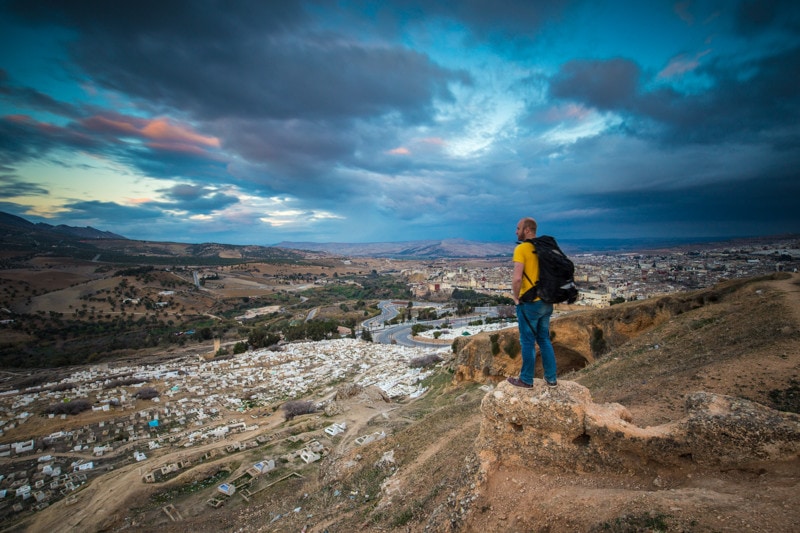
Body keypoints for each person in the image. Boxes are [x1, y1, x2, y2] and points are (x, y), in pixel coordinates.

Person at [507, 217, 558, 388]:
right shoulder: (545, 246)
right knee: (544, 339)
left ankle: (526, 380)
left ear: (527, 230)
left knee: (527, 341)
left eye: (518, 228)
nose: (516, 231)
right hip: (546, 300)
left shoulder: (522, 249)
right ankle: (551, 378)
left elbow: (517, 279)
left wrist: (515, 297)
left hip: (530, 303)